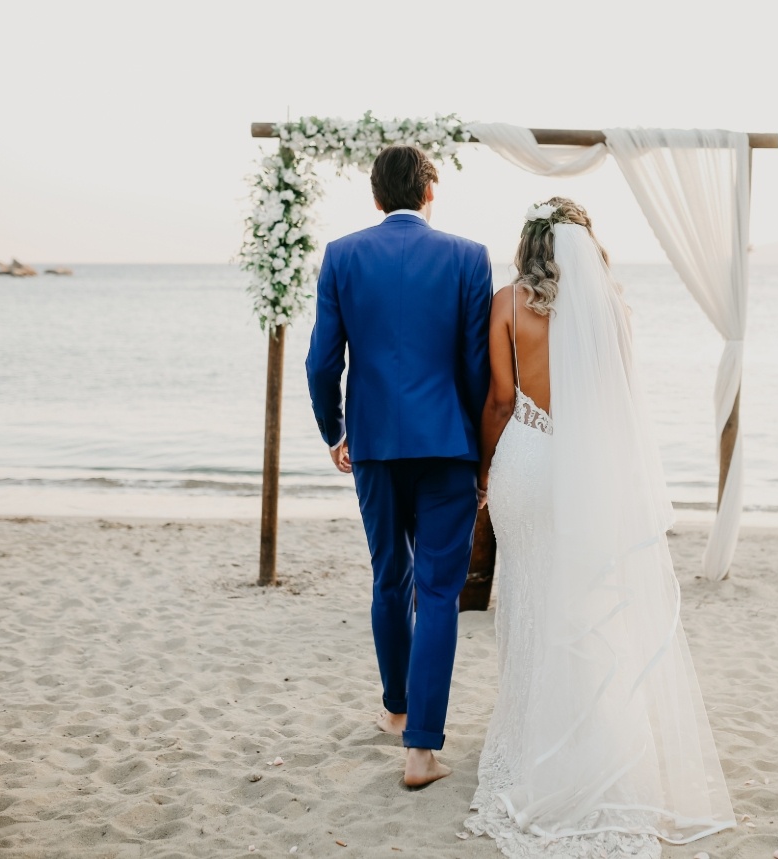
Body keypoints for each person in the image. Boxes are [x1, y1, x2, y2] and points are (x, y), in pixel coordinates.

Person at [465, 198, 736, 856]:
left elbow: (501, 400)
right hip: (586, 468)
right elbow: (618, 406)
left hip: (526, 463)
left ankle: (533, 731)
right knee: (584, 601)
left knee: (526, 596)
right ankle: (588, 732)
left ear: (529, 242)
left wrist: (482, 474)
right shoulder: (613, 309)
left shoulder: (506, 305)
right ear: (585, 249)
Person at [305, 144, 492, 787]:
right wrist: (479, 447)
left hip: (376, 445)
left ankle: (396, 709)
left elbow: (321, 363)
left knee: (390, 576)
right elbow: (474, 365)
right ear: (430, 192)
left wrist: (335, 430)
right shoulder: (469, 257)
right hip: (448, 445)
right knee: (439, 592)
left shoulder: (342, 255)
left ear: (377, 198)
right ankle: (421, 752)